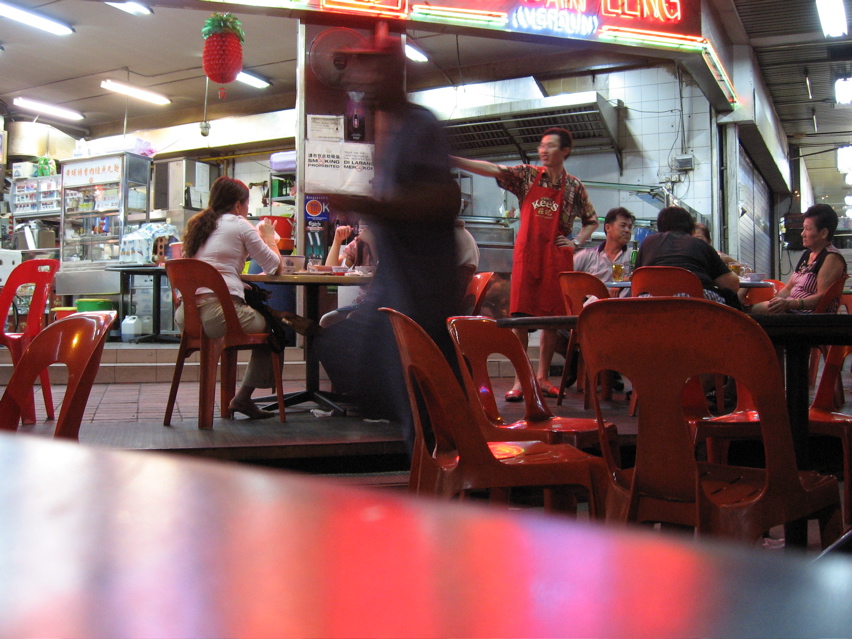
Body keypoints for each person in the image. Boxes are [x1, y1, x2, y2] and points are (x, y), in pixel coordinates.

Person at [316, 23, 462, 452]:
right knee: (351, 354)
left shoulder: (420, 126)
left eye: (369, 70)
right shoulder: (389, 131)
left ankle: (452, 492)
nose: (359, 81)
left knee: (432, 416)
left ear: (395, 74)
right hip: (397, 294)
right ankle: (431, 486)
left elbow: (441, 198)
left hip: (424, 298)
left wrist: (367, 205)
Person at [452, 127, 598, 402]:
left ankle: (542, 377)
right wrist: (455, 160)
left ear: (564, 151)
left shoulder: (575, 186)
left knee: (551, 321)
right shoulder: (528, 175)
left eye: (550, 146)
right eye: (541, 145)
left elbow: (592, 220)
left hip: (556, 257)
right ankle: (522, 378)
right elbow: (493, 169)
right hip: (528, 254)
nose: (543, 150)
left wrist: (576, 241)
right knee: (520, 317)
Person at [176, 176, 311, 420]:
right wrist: (269, 236)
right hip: (219, 315)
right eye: (247, 205)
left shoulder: (198, 224)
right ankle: (243, 398)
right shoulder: (239, 224)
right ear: (239, 205)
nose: (247, 210)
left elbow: (211, 266)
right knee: (275, 331)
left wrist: (237, 282)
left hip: (187, 316)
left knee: (263, 316)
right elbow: (274, 266)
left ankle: (240, 400)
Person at [635, 206, 740, 307]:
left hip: (652, 305)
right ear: (691, 229)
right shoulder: (700, 244)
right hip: (697, 305)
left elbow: (636, 280)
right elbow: (732, 285)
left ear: (659, 227)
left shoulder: (648, 243)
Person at [751, 204, 847, 314]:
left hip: (810, 317)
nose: (802, 234)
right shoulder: (808, 254)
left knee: (751, 313)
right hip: (792, 310)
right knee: (753, 308)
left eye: (808, 229)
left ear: (824, 233)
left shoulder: (831, 258)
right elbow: (788, 289)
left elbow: (823, 298)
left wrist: (789, 304)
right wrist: (774, 302)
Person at [320, 222, 377, 328]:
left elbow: (386, 269)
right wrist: (337, 240)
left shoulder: (388, 243)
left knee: (352, 317)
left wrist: (372, 242)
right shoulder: (358, 244)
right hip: (361, 303)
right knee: (327, 320)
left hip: (384, 303)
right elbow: (331, 269)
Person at [574, 206, 634, 295]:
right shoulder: (586, 255)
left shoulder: (633, 255)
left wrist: (622, 283)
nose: (627, 230)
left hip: (623, 307)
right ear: (608, 228)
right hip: (593, 306)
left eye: (629, 227)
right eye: (623, 226)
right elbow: (566, 278)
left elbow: (643, 277)